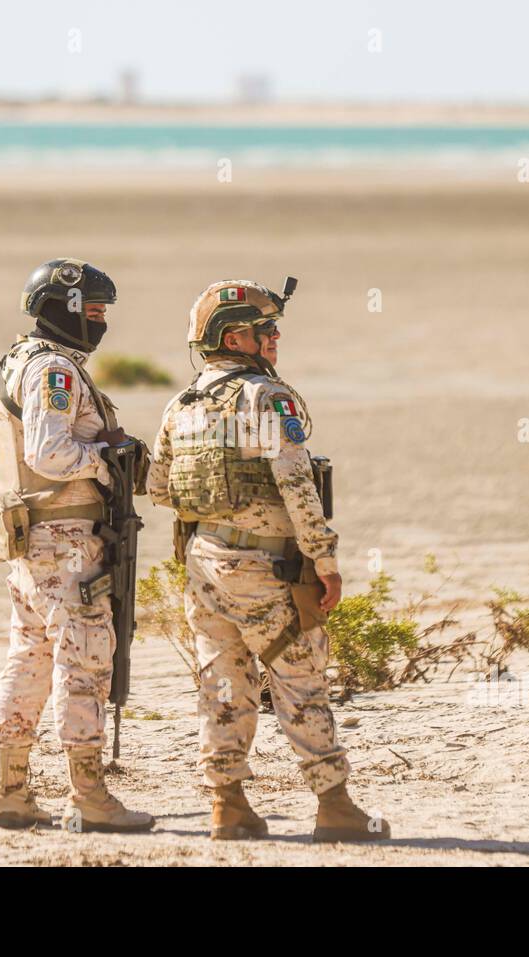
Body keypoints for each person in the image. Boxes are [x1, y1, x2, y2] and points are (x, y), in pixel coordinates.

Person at [147, 279, 390, 842]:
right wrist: (325, 562)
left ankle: (227, 806)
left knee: (222, 684)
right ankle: (334, 805)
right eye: (265, 329)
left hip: (202, 565)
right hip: (266, 568)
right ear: (234, 336)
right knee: (300, 678)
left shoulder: (180, 404)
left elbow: (159, 488)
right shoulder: (262, 397)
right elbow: (297, 485)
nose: (275, 338)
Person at [0, 258, 154, 833]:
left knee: (29, 659)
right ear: (64, 311)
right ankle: (89, 794)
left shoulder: (10, 365)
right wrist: (107, 460)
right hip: (69, 538)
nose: (101, 325)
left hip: (30, 541)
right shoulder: (55, 372)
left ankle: (12, 791)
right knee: (85, 660)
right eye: (94, 313)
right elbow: (47, 453)